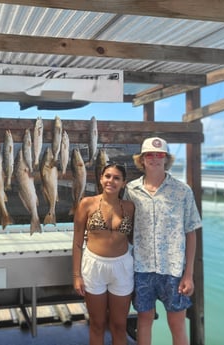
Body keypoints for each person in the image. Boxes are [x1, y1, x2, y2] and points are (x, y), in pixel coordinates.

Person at [124, 137, 202, 345]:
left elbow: (191, 233)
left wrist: (188, 274)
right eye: (150, 154)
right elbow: (126, 227)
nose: (155, 158)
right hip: (142, 268)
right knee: (144, 320)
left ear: (166, 159)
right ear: (142, 159)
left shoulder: (183, 191)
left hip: (174, 270)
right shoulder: (130, 190)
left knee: (177, 325)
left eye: (160, 155)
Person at [73, 163, 135, 345]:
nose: (111, 181)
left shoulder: (130, 207)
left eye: (116, 178)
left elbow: (134, 238)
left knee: (119, 325)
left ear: (124, 183)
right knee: (97, 324)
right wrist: (76, 275)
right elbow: (77, 243)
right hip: (94, 266)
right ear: (100, 179)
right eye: (107, 176)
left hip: (122, 268)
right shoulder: (86, 204)